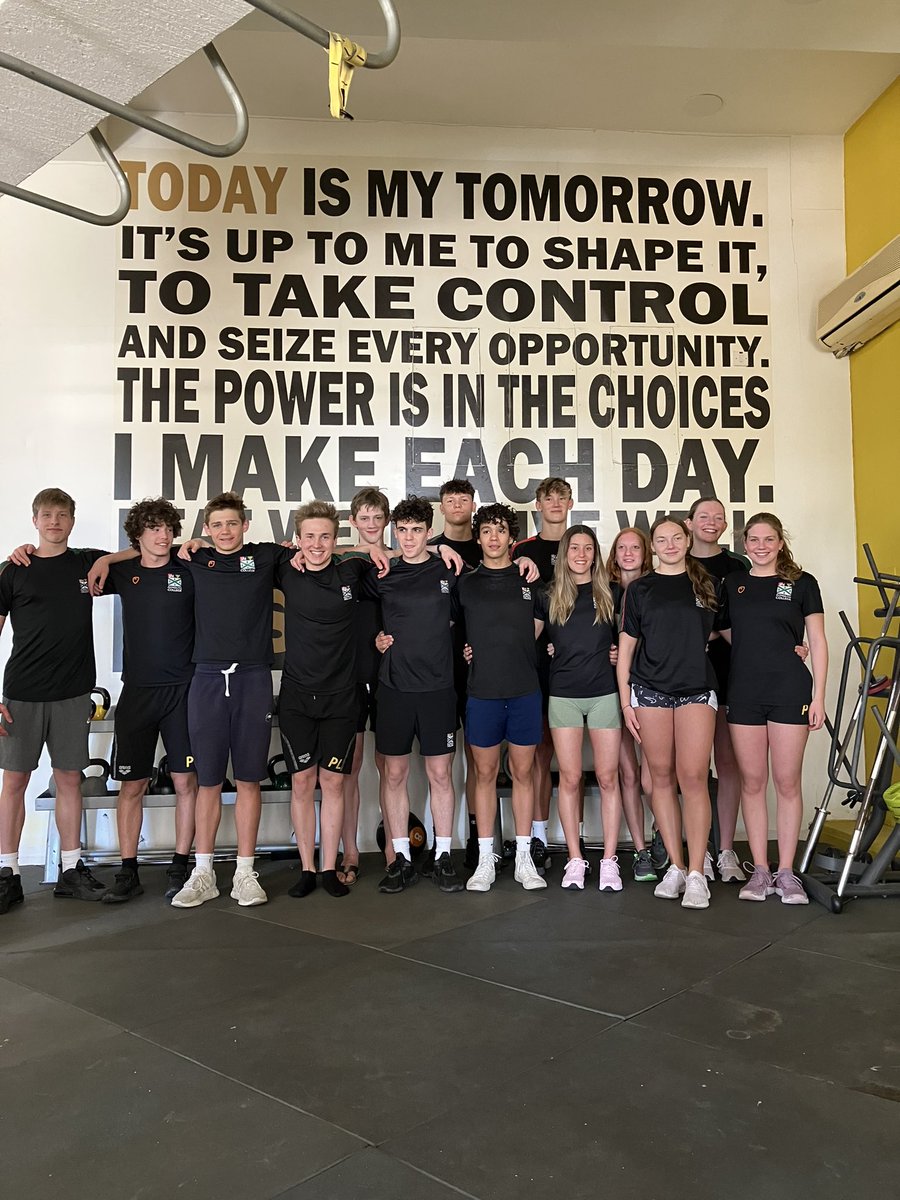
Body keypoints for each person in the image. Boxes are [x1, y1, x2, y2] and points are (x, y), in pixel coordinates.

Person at [168, 492, 299, 908]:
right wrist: (102, 562)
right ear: (206, 529)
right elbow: (145, 549)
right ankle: (203, 871)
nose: (225, 531)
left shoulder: (266, 557)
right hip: (205, 678)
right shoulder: (192, 558)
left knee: (247, 779)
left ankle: (245, 871)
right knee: (207, 781)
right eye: (217, 525)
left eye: (232, 523)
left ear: (245, 525)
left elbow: (320, 548)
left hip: (253, 677)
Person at [0, 488, 108, 913]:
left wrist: (105, 561)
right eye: (46, 515)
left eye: (62, 515)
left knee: (69, 781)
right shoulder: (12, 570)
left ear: (72, 521)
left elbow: (139, 552)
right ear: (34, 520)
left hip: (72, 693)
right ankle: (8, 873)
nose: (54, 522)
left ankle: (70, 869)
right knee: (14, 783)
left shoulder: (85, 564)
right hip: (21, 695)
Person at [275, 500, 388, 900]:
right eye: (309, 537)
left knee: (334, 783)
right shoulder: (284, 567)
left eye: (325, 536)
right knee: (302, 782)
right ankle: (307, 868)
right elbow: (229, 549)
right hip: (296, 697)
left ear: (336, 537)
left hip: (342, 697)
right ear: (298, 539)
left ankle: (328, 867)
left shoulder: (352, 569)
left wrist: (442, 548)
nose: (317, 545)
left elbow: (400, 558)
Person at [616, 515, 726, 910]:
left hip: (697, 688)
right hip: (650, 691)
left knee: (693, 777)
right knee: (659, 777)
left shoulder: (707, 584)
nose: (670, 544)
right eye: (661, 540)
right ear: (653, 547)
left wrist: (791, 647)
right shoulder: (640, 590)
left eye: (676, 537)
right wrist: (627, 701)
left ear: (686, 539)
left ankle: (697, 872)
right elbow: (626, 651)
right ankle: (676, 867)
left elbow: (732, 632)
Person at [723, 513, 828, 905]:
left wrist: (818, 696)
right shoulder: (734, 583)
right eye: (754, 539)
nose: (761, 546)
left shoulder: (802, 584)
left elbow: (816, 639)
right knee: (752, 783)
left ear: (780, 542)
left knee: (786, 782)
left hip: (789, 690)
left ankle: (786, 872)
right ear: (745, 543)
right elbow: (726, 631)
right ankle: (761, 871)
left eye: (769, 539)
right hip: (745, 692)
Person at [100, 498, 197, 904]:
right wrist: (106, 559)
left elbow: (226, 549)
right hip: (138, 692)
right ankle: (128, 871)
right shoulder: (121, 572)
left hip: (183, 691)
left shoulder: (188, 566)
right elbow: (66, 564)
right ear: (138, 534)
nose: (162, 535)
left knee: (185, 781)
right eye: (153, 528)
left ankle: (180, 864)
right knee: (132, 784)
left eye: (167, 528)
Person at [366, 496, 464, 894]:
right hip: (394, 687)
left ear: (429, 531)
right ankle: (401, 859)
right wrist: (375, 637)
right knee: (393, 773)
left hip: (439, 687)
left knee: (440, 774)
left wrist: (445, 548)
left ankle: (443, 856)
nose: (408, 538)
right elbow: (341, 559)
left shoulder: (449, 567)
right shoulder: (382, 571)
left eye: (417, 531)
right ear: (395, 531)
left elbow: (492, 576)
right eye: (402, 531)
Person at [455, 504, 546, 893]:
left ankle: (524, 857)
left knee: (524, 774)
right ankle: (485, 858)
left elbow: (537, 631)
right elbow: (454, 631)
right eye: (487, 531)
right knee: (486, 775)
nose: (494, 537)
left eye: (501, 530)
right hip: (483, 693)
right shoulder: (466, 584)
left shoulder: (529, 580)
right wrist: (467, 649)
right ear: (478, 538)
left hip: (524, 690)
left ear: (512, 537)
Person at [536, 526, 624, 892]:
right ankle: (575, 858)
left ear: (595, 554)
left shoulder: (612, 594)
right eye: (575, 547)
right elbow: (524, 640)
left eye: (589, 548)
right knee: (570, 778)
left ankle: (608, 860)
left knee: (607, 777)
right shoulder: (549, 595)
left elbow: (631, 641)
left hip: (604, 693)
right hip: (564, 695)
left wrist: (618, 654)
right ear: (564, 552)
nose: (582, 554)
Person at [685, 496, 749, 885]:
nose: (712, 522)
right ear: (689, 523)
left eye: (719, 517)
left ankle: (725, 850)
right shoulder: (675, 562)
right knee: (691, 771)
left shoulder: (738, 566)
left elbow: (749, 621)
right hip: (686, 677)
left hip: (731, 675)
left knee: (727, 765)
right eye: (704, 516)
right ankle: (697, 854)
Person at [512, 476, 574, 874]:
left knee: (557, 756)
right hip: (531, 662)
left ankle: (564, 837)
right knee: (535, 754)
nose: (555, 503)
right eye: (547, 498)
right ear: (537, 505)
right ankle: (534, 836)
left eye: (561, 497)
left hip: (574, 664)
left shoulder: (583, 545)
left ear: (571, 502)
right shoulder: (522, 550)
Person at [336, 486, 392, 887]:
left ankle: (394, 849)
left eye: (378, 518)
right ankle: (350, 851)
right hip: (349, 673)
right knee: (349, 769)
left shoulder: (405, 557)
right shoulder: (338, 559)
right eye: (364, 518)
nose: (371, 525)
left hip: (390, 673)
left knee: (389, 766)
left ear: (386, 521)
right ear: (353, 521)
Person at [428, 479, 481, 870]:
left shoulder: (490, 547)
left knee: (479, 761)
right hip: (436, 666)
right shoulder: (424, 552)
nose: (458, 504)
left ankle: (480, 839)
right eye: (451, 499)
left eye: (464, 498)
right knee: (438, 764)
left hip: (481, 665)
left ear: (473, 505)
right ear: (441, 508)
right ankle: (439, 845)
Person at [606, 527, 658, 881]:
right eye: (621, 547)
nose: (628, 553)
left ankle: (662, 839)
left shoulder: (657, 588)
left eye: (634, 547)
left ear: (645, 552)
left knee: (654, 777)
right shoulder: (605, 591)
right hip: (613, 690)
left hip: (653, 688)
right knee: (627, 772)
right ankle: (640, 850)